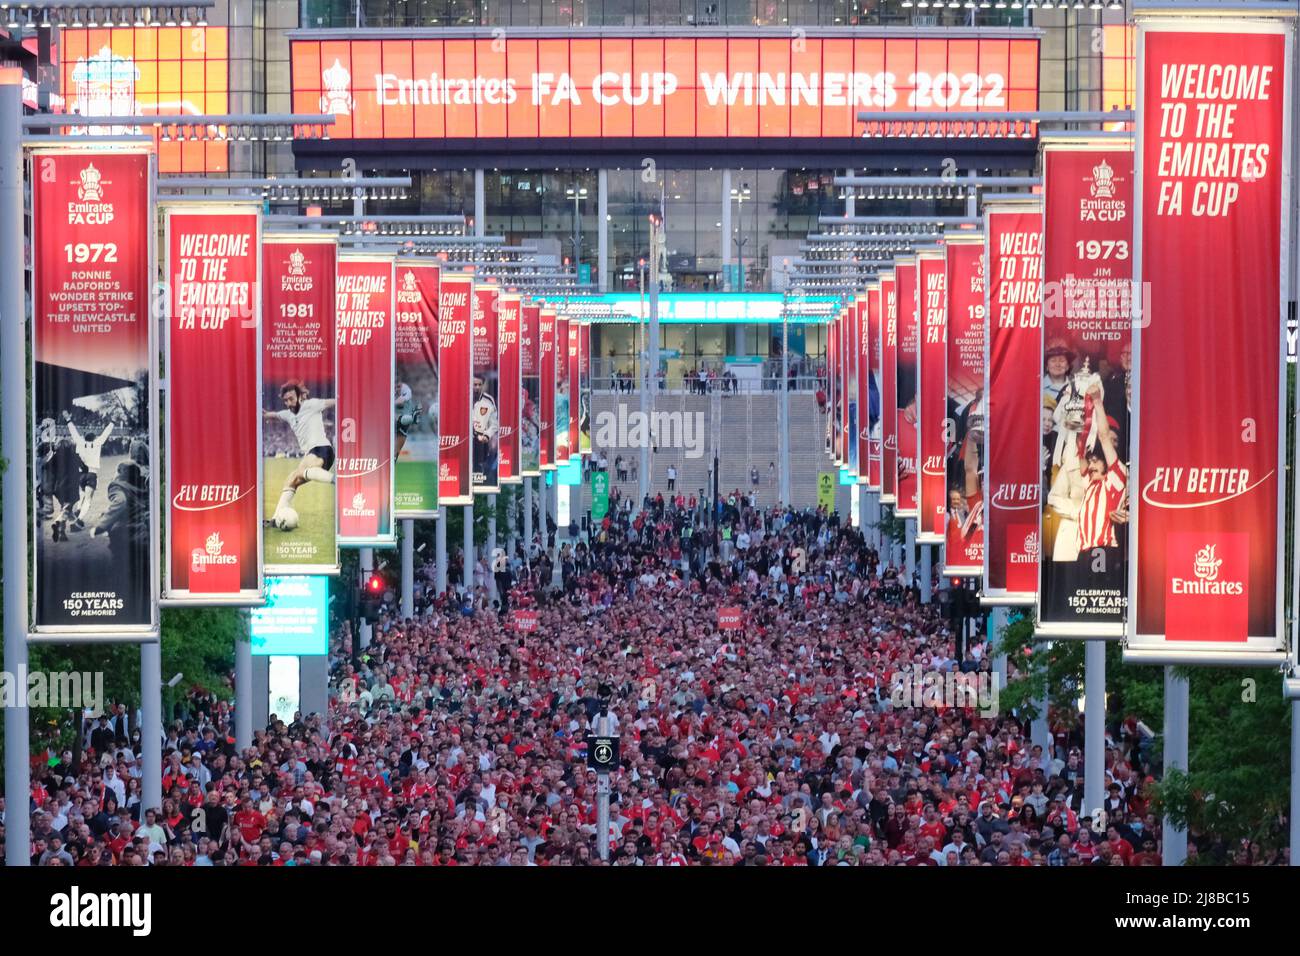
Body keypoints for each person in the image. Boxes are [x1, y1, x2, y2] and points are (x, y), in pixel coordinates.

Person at [264, 380, 336, 526]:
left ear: (299, 396)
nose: (289, 403)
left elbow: (334, 401)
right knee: (292, 480)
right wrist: (266, 415)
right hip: (311, 453)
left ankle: (338, 481)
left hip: (322, 449)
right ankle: (274, 520)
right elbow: (275, 415)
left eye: (291, 398)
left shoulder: (311, 405)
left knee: (300, 472)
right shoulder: (288, 414)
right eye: (285, 400)